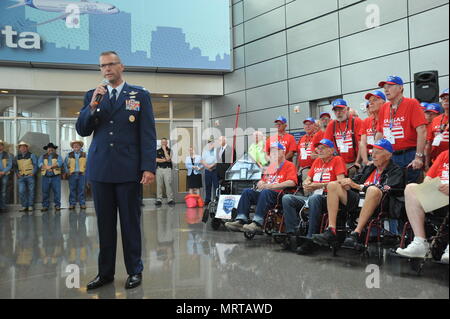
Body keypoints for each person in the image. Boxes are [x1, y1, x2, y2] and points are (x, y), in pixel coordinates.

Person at [76, 51, 156, 290]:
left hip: (129, 170)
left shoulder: (139, 95)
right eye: (103, 66)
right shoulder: (93, 96)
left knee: (131, 223)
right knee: (105, 226)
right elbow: (82, 130)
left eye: (111, 64)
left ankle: (135, 271)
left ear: (121, 66)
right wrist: (91, 108)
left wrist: (148, 167)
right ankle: (105, 273)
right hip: (101, 171)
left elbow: (148, 134)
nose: (107, 69)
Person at [312, 139, 404, 249]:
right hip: (358, 200)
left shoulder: (396, 171)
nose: (373, 155)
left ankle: (357, 232)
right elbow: (355, 180)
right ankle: (331, 230)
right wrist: (347, 183)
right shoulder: (369, 168)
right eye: (372, 152)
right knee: (333, 185)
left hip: (380, 205)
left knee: (373, 190)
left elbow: (386, 189)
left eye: (377, 152)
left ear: (388, 155)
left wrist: (357, 186)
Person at [282, 139, 347, 254]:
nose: (319, 150)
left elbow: (340, 182)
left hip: (328, 198)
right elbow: (308, 178)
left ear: (332, 150)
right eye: (318, 148)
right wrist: (306, 182)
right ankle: (292, 235)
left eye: (323, 148)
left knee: (314, 198)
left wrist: (318, 185)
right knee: (287, 198)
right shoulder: (317, 161)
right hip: (312, 196)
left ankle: (311, 238)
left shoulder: (338, 160)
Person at [225, 142, 297, 234]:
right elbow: (263, 180)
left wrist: (272, 186)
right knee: (247, 192)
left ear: (283, 152)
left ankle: (258, 223)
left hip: (280, 195)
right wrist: (261, 182)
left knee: (266, 191)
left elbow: (292, 182)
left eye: (276, 151)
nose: (273, 153)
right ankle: (241, 220)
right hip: (266, 194)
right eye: (271, 151)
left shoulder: (289, 165)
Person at [396, 150, 448, 263]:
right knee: (411, 188)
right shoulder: (444, 155)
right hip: (440, 197)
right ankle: (420, 242)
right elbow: (427, 180)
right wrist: (434, 186)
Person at [375, 75, 427, 183]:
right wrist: (376, 154)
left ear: (400, 88)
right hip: (390, 156)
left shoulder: (411, 103)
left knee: (410, 189)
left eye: (390, 86)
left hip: (408, 154)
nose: (386, 89)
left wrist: (418, 157)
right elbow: (380, 132)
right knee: (390, 190)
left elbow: (421, 130)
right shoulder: (384, 107)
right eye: (384, 87)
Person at [324, 99, 363, 173]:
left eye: (341, 109)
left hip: (357, 161)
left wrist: (357, 162)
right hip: (340, 162)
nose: (338, 113)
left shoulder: (356, 121)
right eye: (335, 110)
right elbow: (326, 145)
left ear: (347, 109)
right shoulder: (332, 125)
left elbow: (361, 144)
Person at [360, 90, 386, 166]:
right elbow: (363, 142)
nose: (370, 103)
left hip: (385, 157)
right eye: (369, 101)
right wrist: (365, 161)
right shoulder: (366, 121)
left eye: (375, 100)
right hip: (370, 157)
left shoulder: (387, 118)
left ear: (384, 102)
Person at [426, 89, 448, 169]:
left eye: (448, 97)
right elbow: (429, 143)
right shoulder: (436, 120)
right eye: (443, 98)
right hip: (437, 162)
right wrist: (426, 164)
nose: (446, 100)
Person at [14, 141, 38, 212]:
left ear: (27, 148)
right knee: (21, 191)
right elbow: (15, 166)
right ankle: (24, 206)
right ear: (19, 148)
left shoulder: (32, 155)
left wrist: (33, 173)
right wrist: (17, 173)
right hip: (21, 176)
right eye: (21, 147)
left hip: (30, 176)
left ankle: (30, 206)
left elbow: (35, 165)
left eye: (24, 147)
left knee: (31, 191)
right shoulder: (17, 157)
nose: (23, 148)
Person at [38, 143, 63, 212]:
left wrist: (51, 167)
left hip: (56, 177)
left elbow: (60, 163)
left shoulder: (58, 156)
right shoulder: (42, 156)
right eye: (49, 148)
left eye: (52, 148)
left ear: (54, 149)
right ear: (47, 149)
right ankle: (45, 206)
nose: (50, 149)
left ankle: (57, 205)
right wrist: (46, 168)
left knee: (57, 192)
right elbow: (39, 164)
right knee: (45, 192)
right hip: (45, 177)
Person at [64, 140, 87, 210]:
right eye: (74, 145)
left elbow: (89, 164)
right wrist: (67, 171)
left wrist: (86, 172)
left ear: (80, 146)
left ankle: (82, 204)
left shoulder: (85, 154)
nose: (76, 146)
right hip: (72, 175)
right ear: (72, 147)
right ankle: (72, 204)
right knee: (72, 190)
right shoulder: (69, 155)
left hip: (82, 175)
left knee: (82, 189)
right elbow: (65, 164)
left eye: (77, 145)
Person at [296, 117, 316, 187]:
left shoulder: (317, 137)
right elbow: (299, 154)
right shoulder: (302, 138)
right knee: (303, 187)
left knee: (310, 187)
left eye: (310, 124)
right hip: (302, 168)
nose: (307, 126)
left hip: (312, 168)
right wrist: (297, 169)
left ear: (314, 125)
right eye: (306, 124)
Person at [155, 138, 174, 206]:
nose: (163, 143)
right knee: (159, 185)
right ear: (161, 143)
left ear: (166, 143)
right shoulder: (157, 151)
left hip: (167, 169)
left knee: (168, 184)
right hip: (159, 169)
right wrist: (164, 159)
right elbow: (156, 160)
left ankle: (170, 200)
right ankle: (159, 200)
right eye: (162, 142)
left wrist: (165, 150)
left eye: (164, 142)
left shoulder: (170, 150)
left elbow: (169, 159)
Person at [201, 136, 218, 205]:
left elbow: (217, 160)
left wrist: (211, 166)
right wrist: (208, 167)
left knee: (216, 186)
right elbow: (202, 160)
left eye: (212, 143)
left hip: (215, 170)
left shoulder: (217, 150)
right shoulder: (205, 150)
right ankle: (207, 199)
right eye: (209, 143)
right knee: (208, 185)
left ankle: (216, 199)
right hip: (207, 170)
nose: (211, 144)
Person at [0, 141, 13, 212]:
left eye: (0, 145)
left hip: (4, 175)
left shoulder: (8, 155)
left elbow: (10, 165)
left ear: (2, 146)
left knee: (3, 191)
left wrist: (3, 172)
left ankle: (3, 207)